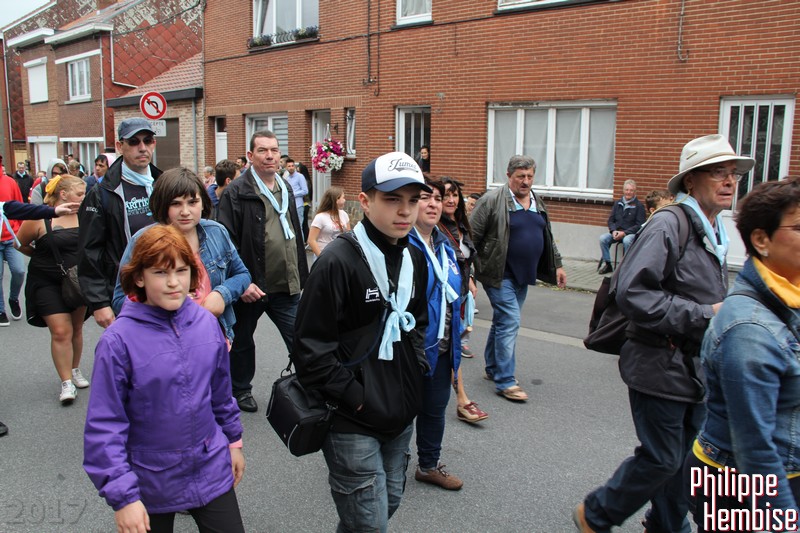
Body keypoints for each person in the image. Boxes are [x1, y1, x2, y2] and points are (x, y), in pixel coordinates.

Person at [574, 134, 755, 533]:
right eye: (718, 172)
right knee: (662, 458)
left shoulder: (713, 228)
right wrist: (706, 314)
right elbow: (633, 293)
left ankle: (666, 524)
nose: (730, 181)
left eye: (734, 174)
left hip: (694, 367)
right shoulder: (669, 223)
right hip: (658, 363)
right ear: (691, 180)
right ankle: (596, 513)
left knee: (687, 461)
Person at [293, 151, 430, 532]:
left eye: (413, 200)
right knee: (370, 523)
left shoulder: (413, 257)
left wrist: (416, 372)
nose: (405, 211)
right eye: (392, 199)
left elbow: (418, 323)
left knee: (386, 504)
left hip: (400, 412)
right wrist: (356, 397)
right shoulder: (337, 261)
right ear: (366, 202)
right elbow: (309, 349)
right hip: (352, 418)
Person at [84, 225, 245, 533]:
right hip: (149, 480)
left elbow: (221, 394)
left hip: (210, 466)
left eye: (182, 271)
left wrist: (233, 442)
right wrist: (123, 497)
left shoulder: (206, 323)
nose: (173, 283)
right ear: (139, 277)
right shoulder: (118, 342)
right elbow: (105, 425)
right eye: (160, 272)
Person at [685, 177, 800, 532]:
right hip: (737, 484)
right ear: (761, 240)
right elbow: (755, 450)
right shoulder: (749, 331)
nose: (728, 180)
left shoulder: (789, 294)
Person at [217, 130, 308, 412]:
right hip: (252, 285)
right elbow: (226, 242)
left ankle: (310, 383)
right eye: (263, 150)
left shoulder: (285, 186)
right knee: (243, 341)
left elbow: (294, 234)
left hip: (285, 283)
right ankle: (241, 389)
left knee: (301, 335)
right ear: (250, 156)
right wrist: (240, 282)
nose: (270, 156)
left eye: (274, 150)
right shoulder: (236, 191)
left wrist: (301, 274)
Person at [112, 167, 250, 344]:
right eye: (176, 204)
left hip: (212, 337)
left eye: (192, 202)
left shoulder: (216, 232)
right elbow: (120, 299)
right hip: (162, 341)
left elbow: (242, 274)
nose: (185, 211)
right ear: (163, 205)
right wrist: (161, 303)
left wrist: (222, 294)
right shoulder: (143, 240)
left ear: (203, 203)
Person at [470, 154, 567, 402]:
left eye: (530, 176)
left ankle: (493, 368)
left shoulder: (536, 201)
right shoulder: (492, 201)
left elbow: (547, 236)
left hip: (524, 275)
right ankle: (505, 380)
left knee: (503, 321)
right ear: (508, 176)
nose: (526, 181)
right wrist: (468, 274)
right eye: (520, 176)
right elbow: (470, 239)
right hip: (498, 274)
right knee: (510, 321)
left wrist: (557, 265)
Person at [78, 117, 162, 329]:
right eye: (133, 142)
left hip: (166, 287)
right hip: (126, 292)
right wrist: (99, 302)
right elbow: (89, 251)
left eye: (147, 140)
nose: (142, 148)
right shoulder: (102, 193)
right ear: (119, 146)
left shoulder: (163, 183)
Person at [409, 179, 465, 490]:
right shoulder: (403, 245)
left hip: (442, 346)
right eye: (425, 198)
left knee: (434, 409)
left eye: (437, 198)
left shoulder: (444, 245)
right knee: (399, 410)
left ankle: (428, 466)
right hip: (410, 349)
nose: (433, 204)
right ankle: (381, 464)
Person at [16, 175, 89, 404]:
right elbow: (21, 243)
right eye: (80, 194)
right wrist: (41, 257)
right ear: (63, 194)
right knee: (60, 331)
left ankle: (74, 369)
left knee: (76, 328)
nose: (84, 198)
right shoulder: (40, 217)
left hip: (76, 281)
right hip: (45, 281)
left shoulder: (86, 216)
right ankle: (66, 382)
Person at [439, 176, 489, 424]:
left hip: (460, 295)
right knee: (451, 346)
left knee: (452, 345)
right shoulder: (436, 228)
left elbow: (464, 259)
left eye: (455, 195)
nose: (451, 199)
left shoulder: (461, 224)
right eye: (446, 195)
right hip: (442, 299)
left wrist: (469, 280)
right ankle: (462, 399)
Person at [597, 179, 646, 274]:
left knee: (627, 240)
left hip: (630, 234)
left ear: (635, 192)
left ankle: (627, 267)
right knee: (603, 239)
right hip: (617, 232)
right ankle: (608, 265)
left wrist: (624, 233)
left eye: (631, 190)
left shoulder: (639, 206)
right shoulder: (617, 203)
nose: (628, 192)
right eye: (627, 190)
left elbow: (640, 225)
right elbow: (611, 220)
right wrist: (613, 231)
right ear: (623, 190)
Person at [0, 169, 27, 325]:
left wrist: (21, 231)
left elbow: (20, 206)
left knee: (19, 270)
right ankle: (1, 310)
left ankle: (13, 298)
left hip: (11, 236)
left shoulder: (9, 182)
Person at [306, 186, 350, 257]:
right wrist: (321, 257)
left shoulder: (344, 214)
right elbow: (311, 240)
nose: (345, 200)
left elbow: (348, 235)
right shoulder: (320, 217)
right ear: (336, 200)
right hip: (324, 254)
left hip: (339, 255)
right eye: (343, 197)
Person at [284, 158, 309, 237]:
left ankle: (301, 244)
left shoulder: (300, 176)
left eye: (292, 166)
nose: (291, 168)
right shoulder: (287, 178)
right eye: (289, 166)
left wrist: (293, 194)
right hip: (290, 205)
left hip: (298, 205)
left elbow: (305, 191)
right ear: (286, 168)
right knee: (292, 227)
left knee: (299, 227)